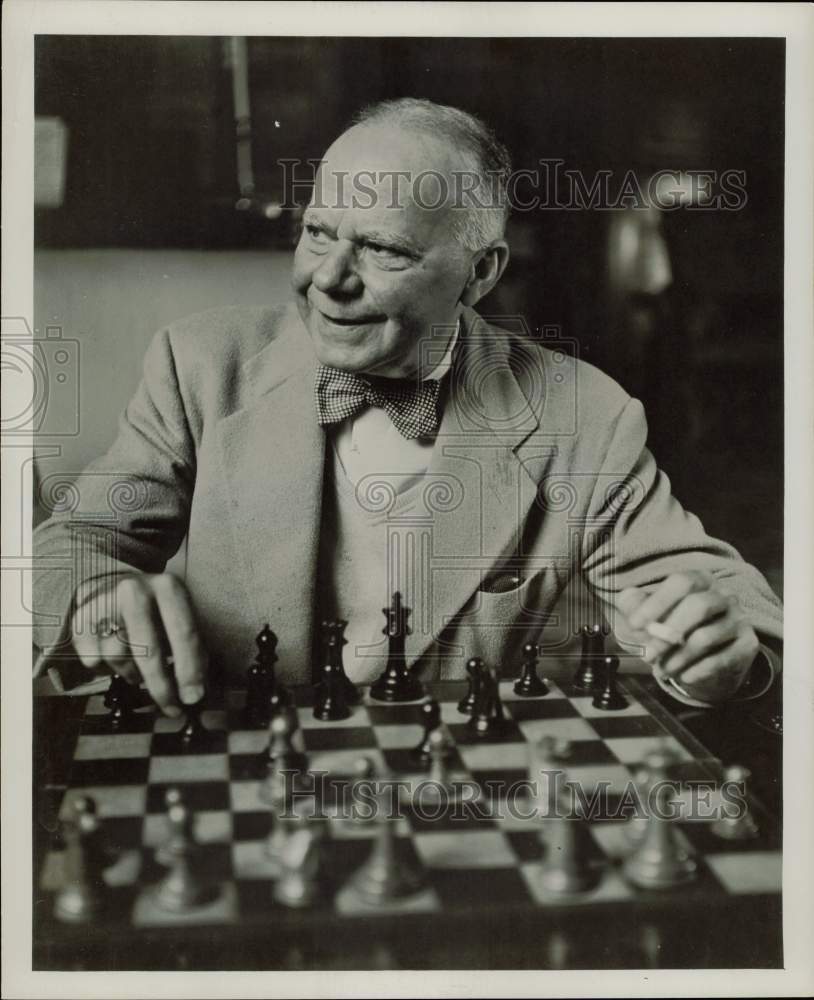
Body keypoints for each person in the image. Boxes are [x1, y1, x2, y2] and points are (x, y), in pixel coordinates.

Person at [32, 98, 782, 717]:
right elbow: (75, 538)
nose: (328, 279)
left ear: (479, 273)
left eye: (384, 250)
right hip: (232, 767)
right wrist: (97, 592)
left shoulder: (584, 413)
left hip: (456, 797)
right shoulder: (198, 366)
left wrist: (719, 654)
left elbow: (721, 600)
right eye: (317, 233)